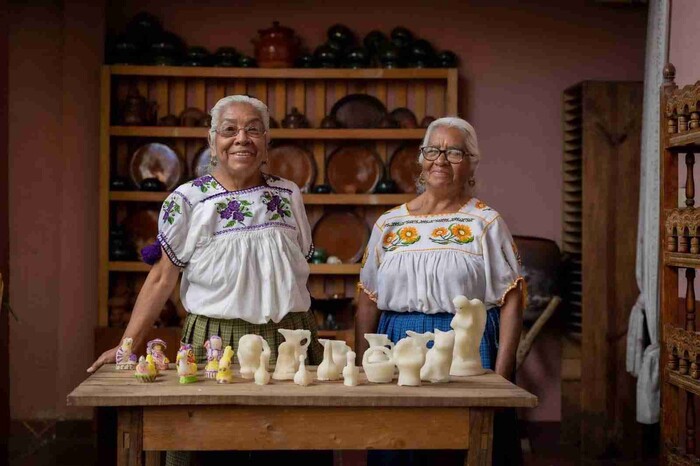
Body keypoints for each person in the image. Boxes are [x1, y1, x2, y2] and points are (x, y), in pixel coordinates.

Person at [88, 95, 326, 466]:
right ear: (212, 140)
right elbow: (161, 278)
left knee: (293, 449)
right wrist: (126, 345)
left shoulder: (288, 193)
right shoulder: (187, 200)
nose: (242, 138)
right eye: (230, 130)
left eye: (253, 129)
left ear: (267, 142)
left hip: (289, 340)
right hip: (216, 342)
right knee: (210, 448)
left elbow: (292, 267)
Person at [355, 117, 524, 466]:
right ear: (421, 158)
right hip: (398, 342)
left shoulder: (486, 222)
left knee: (464, 448)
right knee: (399, 444)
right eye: (433, 150)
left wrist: (504, 375)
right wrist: (364, 364)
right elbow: (368, 297)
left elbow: (511, 297)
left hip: (468, 346)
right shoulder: (389, 225)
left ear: (472, 163)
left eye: (455, 152)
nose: (441, 160)